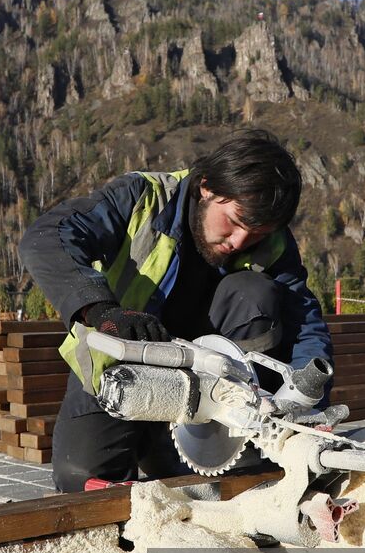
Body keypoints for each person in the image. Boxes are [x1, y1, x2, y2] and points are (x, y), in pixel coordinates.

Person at [18, 129, 333, 492]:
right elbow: (47, 237)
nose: (238, 242)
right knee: (81, 479)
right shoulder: (143, 198)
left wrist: (307, 406)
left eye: (256, 234)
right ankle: (153, 448)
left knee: (255, 293)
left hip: (213, 391)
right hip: (123, 370)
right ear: (206, 187)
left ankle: (226, 444)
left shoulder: (274, 243)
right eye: (233, 221)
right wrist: (101, 310)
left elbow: (305, 323)